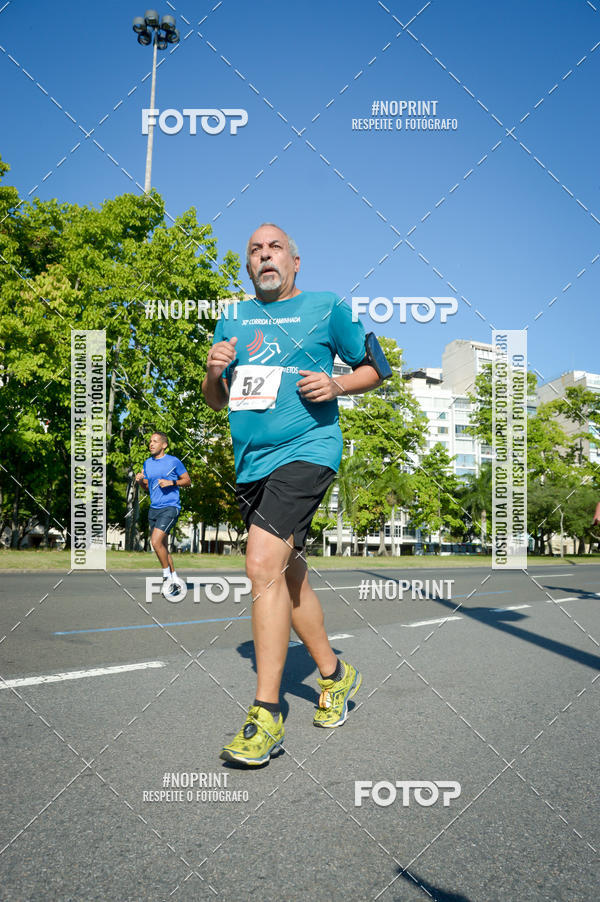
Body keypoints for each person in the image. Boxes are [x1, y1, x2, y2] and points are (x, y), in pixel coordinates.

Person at [202, 223, 382, 765]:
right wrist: (213, 375)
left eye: (274, 247)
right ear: (248, 265)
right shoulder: (232, 317)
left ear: (295, 261)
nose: (264, 255)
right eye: (255, 250)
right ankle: (335, 674)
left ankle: (266, 713)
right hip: (250, 463)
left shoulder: (328, 308)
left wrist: (338, 384)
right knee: (285, 571)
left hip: (308, 450)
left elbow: (378, 367)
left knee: (260, 562)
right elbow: (217, 400)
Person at [136, 432, 191, 598]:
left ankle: (167, 577)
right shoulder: (147, 463)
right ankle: (175, 582)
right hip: (154, 508)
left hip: (170, 507)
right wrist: (140, 481)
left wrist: (171, 482)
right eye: (150, 441)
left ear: (164, 445)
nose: (151, 444)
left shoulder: (173, 461)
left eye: (155, 441)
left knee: (155, 541)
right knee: (163, 548)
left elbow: (187, 481)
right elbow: (148, 487)